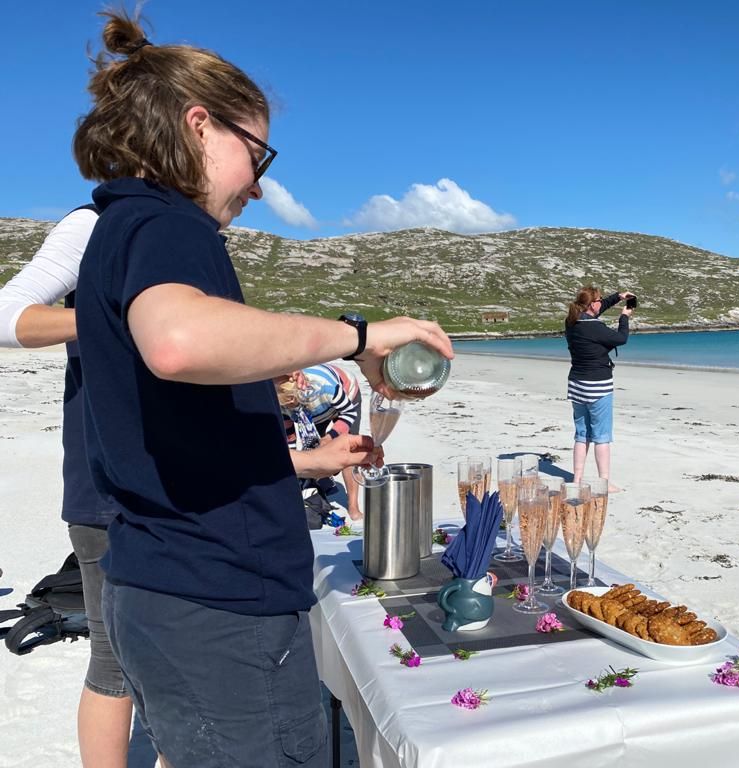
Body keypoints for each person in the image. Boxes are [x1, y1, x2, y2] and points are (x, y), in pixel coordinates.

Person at [71, 12, 453, 768]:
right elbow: (178, 343)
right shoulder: (168, 224)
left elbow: (169, 439)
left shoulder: (118, 225)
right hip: (216, 603)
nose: (261, 183)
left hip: (162, 585)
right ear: (198, 125)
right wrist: (358, 333)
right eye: (259, 153)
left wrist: (309, 465)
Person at [0, 206, 136, 767]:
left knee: (175, 664)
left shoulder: (192, 237)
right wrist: (113, 320)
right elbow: (6, 314)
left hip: (182, 489)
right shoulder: (95, 223)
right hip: (106, 486)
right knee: (114, 662)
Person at [564, 285, 635, 489]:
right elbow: (621, 339)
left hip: (577, 385)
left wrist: (618, 297)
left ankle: (576, 479)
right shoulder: (596, 328)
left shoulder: (572, 322)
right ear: (593, 304)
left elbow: (597, 308)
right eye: (600, 300)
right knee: (601, 436)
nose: (601, 302)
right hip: (598, 386)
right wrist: (624, 316)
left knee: (581, 434)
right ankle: (604, 482)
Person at [278, 364, 364, 521]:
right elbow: (290, 438)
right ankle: (323, 482)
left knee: (349, 450)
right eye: (285, 407)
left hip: (346, 396)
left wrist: (330, 437)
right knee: (314, 446)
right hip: (313, 410)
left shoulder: (325, 387)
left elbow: (348, 413)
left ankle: (353, 506)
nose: (287, 409)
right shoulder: (282, 404)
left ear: (294, 397)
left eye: (289, 405)